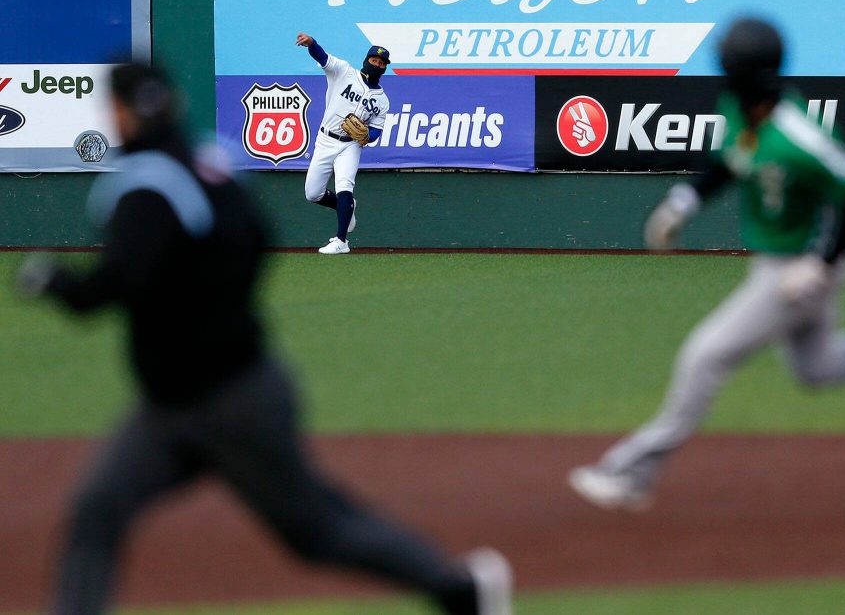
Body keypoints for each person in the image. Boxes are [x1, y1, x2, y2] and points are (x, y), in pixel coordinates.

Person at [16, 63, 512, 615]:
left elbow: (116, 284)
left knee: (316, 530)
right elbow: (257, 237)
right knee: (99, 505)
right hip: (177, 403)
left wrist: (56, 283)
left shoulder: (143, 185)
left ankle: (461, 590)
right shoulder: (211, 160)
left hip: (231, 403)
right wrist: (216, 303)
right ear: (174, 104)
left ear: (118, 111)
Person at [568, 17, 845, 512]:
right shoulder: (742, 110)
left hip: (796, 272)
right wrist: (683, 202)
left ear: (747, 73)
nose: (723, 74)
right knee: (817, 369)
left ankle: (631, 472)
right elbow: (729, 160)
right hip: (783, 265)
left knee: (705, 355)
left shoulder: (799, 136)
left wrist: (820, 265)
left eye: (730, 66)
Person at [297, 32, 390, 254]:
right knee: (313, 193)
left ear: (385, 67)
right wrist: (311, 43)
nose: (376, 64)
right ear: (366, 60)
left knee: (344, 186)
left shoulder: (382, 100)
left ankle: (341, 241)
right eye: (373, 60)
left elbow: (376, 130)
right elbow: (322, 57)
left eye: (381, 62)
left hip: (350, 145)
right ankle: (347, 207)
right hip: (325, 139)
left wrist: (367, 136)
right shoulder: (344, 72)